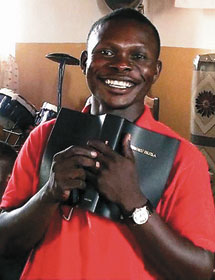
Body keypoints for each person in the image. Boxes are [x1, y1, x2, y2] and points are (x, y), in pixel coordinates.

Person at [0, 8, 215, 280]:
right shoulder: (44, 137)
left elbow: (199, 271)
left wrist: (134, 203)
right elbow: (5, 244)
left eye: (138, 56)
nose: (121, 65)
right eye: (107, 52)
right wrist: (49, 193)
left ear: (155, 71)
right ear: (85, 60)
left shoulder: (183, 158)